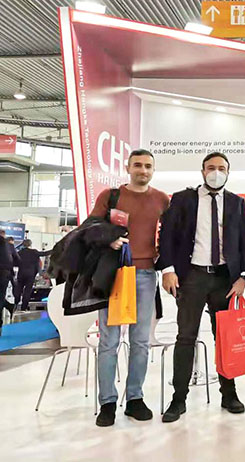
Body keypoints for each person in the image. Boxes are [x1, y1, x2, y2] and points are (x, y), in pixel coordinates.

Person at [160, 152, 245, 423]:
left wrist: (243, 277)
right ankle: (178, 399)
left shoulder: (236, 202)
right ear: (202, 171)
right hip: (192, 276)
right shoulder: (183, 199)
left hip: (225, 279)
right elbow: (167, 236)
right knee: (185, 337)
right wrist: (167, 270)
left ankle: (229, 394)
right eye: (211, 167)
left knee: (224, 338)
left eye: (221, 168)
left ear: (228, 173)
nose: (216, 172)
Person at [89, 149, 170, 427]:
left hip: (146, 275)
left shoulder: (162, 199)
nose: (143, 170)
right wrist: (108, 239)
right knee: (109, 341)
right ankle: (107, 402)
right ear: (128, 167)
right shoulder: (110, 196)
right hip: (113, 274)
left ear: (153, 170)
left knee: (141, 341)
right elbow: (90, 227)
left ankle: (135, 397)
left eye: (148, 166)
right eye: (137, 165)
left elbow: (171, 234)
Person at [0, 230, 20, 336]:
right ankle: (8, 306)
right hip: (4, 273)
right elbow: (18, 260)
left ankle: (9, 306)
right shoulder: (9, 246)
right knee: (0, 296)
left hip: (4, 273)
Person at [14, 239, 42, 312]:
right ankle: (24, 307)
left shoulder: (20, 252)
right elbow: (44, 253)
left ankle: (15, 304)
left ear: (23, 244)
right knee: (27, 291)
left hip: (21, 273)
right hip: (30, 274)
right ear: (30, 244)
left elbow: (14, 261)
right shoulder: (34, 252)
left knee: (18, 289)